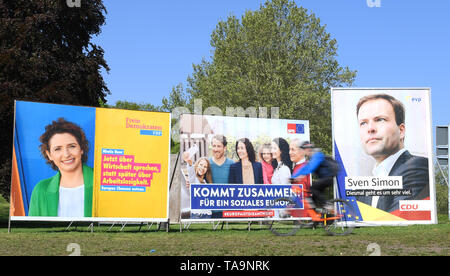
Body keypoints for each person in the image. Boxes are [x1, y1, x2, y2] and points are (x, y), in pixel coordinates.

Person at [356, 94, 429, 213]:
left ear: (401, 131)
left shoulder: (416, 166)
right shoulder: (368, 185)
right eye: (363, 123)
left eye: (380, 119)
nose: (370, 129)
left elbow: (400, 217)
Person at [29, 118, 93, 217]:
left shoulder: (104, 183)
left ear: (81, 148)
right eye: (57, 149)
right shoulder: (41, 190)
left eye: (72, 146)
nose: (66, 154)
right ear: (49, 154)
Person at [291, 142, 338, 212]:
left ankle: (327, 205)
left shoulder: (317, 155)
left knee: (312, 188)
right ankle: (316, 219)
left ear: (308, 149)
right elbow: (304, 168)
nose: (302, 151)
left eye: (303, 150)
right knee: (313, 199)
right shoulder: (311, 158)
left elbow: (311, 167)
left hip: (328, 178)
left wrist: (300, 176)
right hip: (323, 178)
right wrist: (293, 177)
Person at [182, 153, 213, 219]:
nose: (202, 168)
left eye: (205, 167)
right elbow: (191, 173)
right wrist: (190, 163)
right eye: (201, 165)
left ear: (207, 169)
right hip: (197, 214)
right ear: (197, 165)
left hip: (208, 214)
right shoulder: (193, 179)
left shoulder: (205, 182)